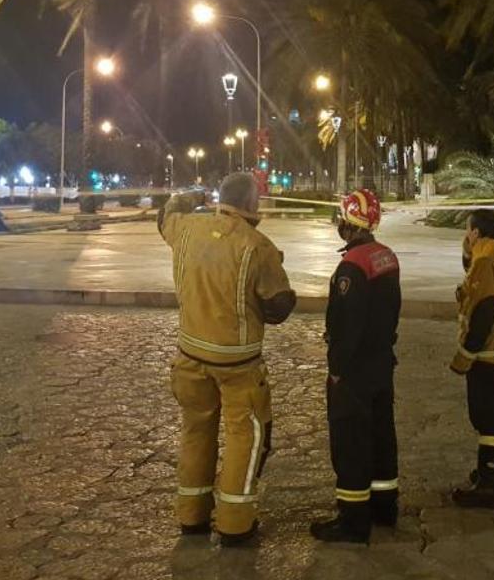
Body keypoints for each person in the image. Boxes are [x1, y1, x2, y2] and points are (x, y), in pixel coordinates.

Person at [158, 172, 297, 546]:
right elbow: (278, 307)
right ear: (252, 206)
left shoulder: (185, 229)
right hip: (238, 366)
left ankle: (192, 516)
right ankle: (235, 524)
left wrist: (189, 195)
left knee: (196, 432)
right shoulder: (257, 246)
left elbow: (165, 214)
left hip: (189, 356)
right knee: (244, 438)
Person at [310, 188, 402, 544]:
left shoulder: (352, 266)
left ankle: (352, 520)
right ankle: (384, 507)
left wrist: (336, 369)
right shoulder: (387, 257)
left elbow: (346, 326)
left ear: (349, 221)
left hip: (355, 371)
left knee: (351, 442)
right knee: (382, 437)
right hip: (381, 364)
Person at [449, 208, 494, 508]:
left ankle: (489, 484)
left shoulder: (484, 261)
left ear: (476, 232)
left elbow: (484, 309)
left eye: (468, 230)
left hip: (485, 355)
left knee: (486, 419)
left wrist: (465, 355)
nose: (466, 235)